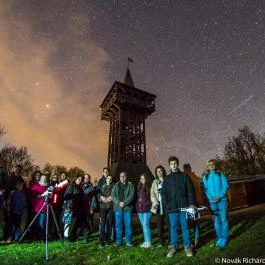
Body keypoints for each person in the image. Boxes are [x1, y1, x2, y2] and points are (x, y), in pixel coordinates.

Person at [161, 156, 196, 258]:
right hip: (172, 208)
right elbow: (163, 193)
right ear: (169, 165)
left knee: (185, 227)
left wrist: (191, 203)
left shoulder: (184, 176)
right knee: (173, 228)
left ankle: (187, 246)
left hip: (184, 206)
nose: (174, 165)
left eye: (175, 163)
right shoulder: (167, 179)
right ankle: (174, 246)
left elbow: (190, 190)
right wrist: (166, 204)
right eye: (172, 164)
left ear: (178, 164)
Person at [202, 159, 229, 248]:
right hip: (212, 202)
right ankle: (220, 238)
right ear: (208, 167)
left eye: (213, 164)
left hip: (222, 201)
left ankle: (224, 238)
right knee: (216, 221)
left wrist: (220, 196)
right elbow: (205, 190)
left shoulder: (220, 174)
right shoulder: (205, 177)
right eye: (209, 164)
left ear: (215, 165)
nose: (211, 166)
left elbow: (226, 186)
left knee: (223, 219)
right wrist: (212, 198)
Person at [111, 171, 135, 247]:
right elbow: (113, 195)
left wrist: (124, 202)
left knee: (128, 226)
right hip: (118, 209)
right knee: (118, 226)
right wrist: (118, 202)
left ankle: (129, 241)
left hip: (127, 209)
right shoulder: (116, 185)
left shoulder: (130, 185)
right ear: (119, 177)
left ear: (126, 176)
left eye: (124, 176)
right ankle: (118, 241)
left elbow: (132, 196)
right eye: (121, 176)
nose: (122, 177)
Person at [183, 163, 204, 247]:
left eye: (188, 168)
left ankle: (196, 239)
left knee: (194, 221)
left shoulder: (192, 177)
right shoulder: (191, 177)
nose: (188, 169)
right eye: (186, 168)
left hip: (193, 203)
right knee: (191, 222)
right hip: (191, 203)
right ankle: (194, 239)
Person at [63, 176, 84, 242]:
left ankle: (71, 236)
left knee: (73, 223)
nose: (79, 180)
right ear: (75, 179)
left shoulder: (80, 188)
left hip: (77, 208)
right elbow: (66, 196)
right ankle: (66, 238)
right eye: (78, 179)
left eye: (81, 179)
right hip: (69, 207)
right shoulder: (71, 186)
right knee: (67, 223)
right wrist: (69, 206)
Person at [150, 165, 167, 247]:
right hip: (158, 205)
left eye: (160, 171)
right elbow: (152, 193)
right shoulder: (154, 182)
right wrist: (155, 202)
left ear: (163, 171)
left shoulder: (167, 180)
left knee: (170, 224)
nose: (159, 173)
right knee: (159, 225)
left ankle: (171, 241)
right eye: (157, 171)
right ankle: (161, 242)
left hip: (167, 205)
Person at [136, 173, 152, 248]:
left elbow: (152, 198)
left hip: (147, 210)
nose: (142, 180)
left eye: (143, 178)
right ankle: (146, 241)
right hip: (140, 210)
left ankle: (148, 242)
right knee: (144, 226)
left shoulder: (149, 187)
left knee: (145, 225)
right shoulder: (139, 187)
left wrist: (147, 204)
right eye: (141, 178)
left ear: (146, 179)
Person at [31, 174, 49, 239]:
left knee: (42, 223)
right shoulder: (35, 186)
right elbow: (33, 195)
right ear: (40, 179)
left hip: (44, 209)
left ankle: (41, 237)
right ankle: (35, 236)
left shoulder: (47, 188)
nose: (43, 179)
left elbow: (50, 196)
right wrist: (39, 196)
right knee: (36, 223)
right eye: (42, 178)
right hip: (37, 209)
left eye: (45, 178)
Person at [98, 175, 114, 247]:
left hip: (110, 207)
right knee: (103, 223)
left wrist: (111, 198)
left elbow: (115, 195)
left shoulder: (113, 187)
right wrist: (101, 198)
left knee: (110, 223)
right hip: (103, 207)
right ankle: (101, 240)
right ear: (106, 179)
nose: (109, 180)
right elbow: (98, 195)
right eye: (108, 178)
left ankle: (108, 240)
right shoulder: (102, 187)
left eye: (110, 179)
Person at [82, 174, 97, 242]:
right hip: (82, 207)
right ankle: (85, 235)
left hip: (89, 207)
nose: (86, 179)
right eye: (85, 178)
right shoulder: (80, 186)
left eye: (87, 178)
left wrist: (92, 208)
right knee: (83, 222)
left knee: (89, 222)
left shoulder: (91, 187)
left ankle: (87, 236)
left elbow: (93, 198)